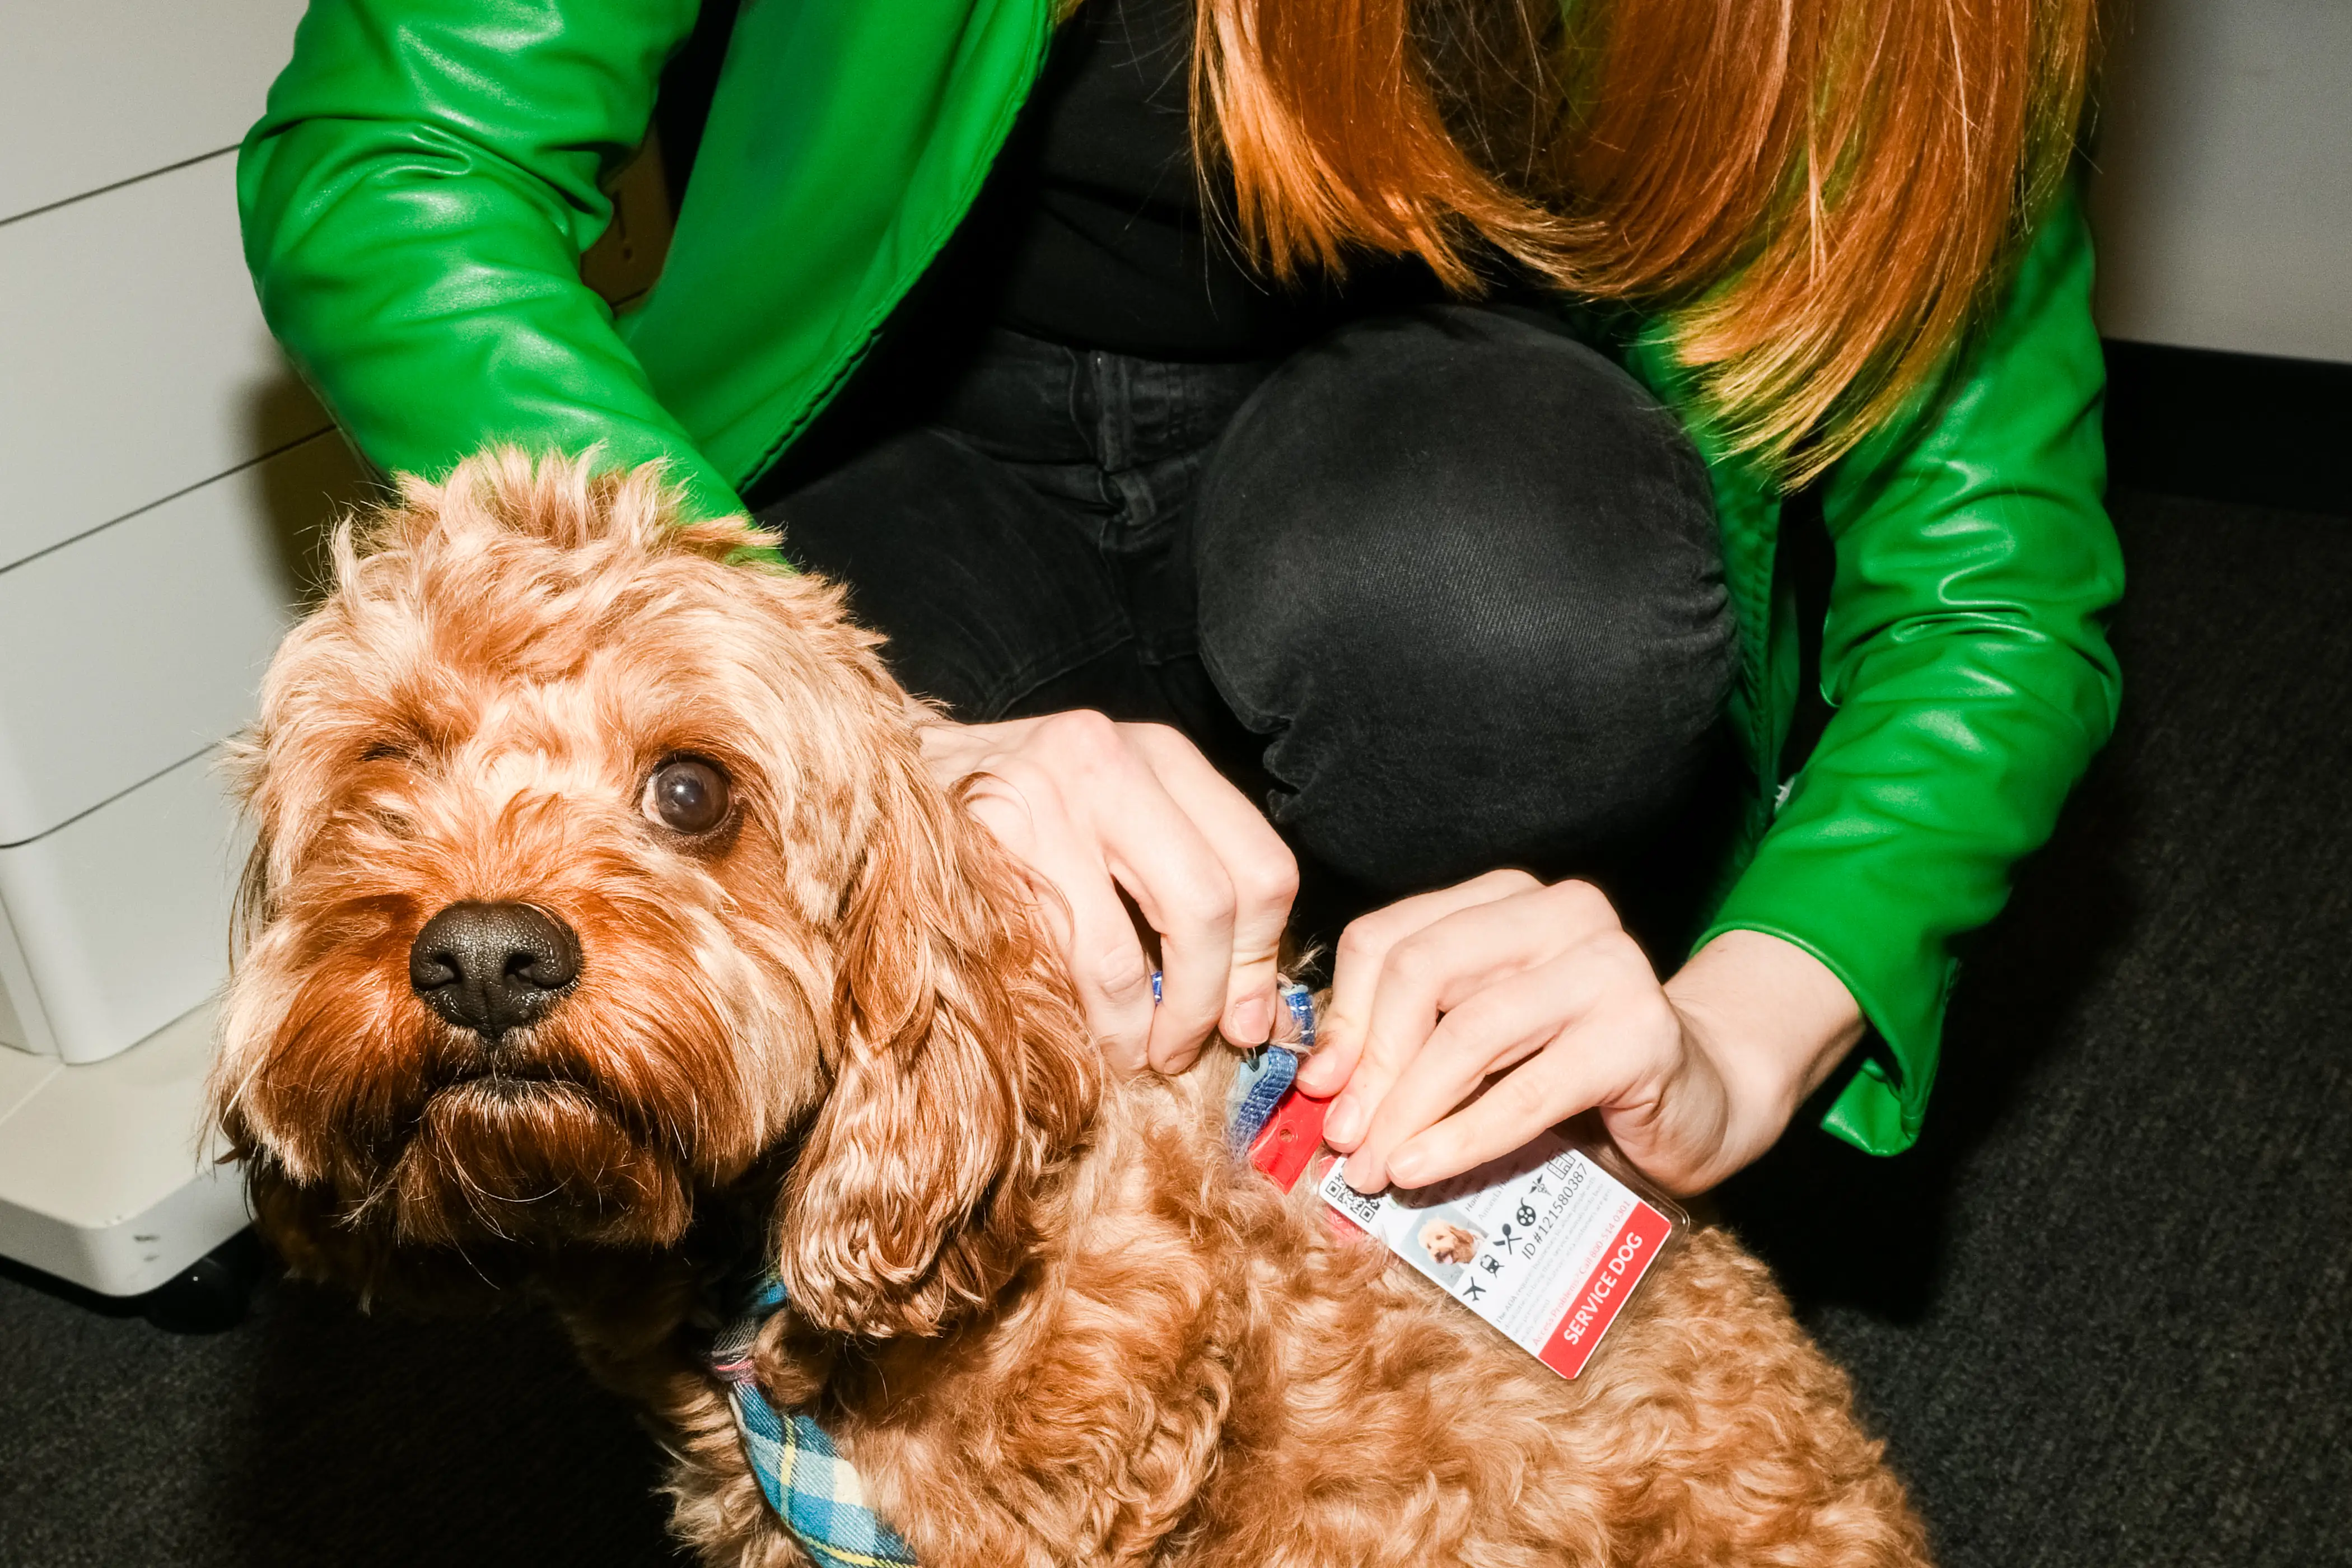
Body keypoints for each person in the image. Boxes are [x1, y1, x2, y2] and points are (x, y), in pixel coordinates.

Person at [236, 0, 2120, 1198]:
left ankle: (1399, 1173)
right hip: (903, 431)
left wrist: (1735, 1033)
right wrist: (875, 745)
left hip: (1429, 445)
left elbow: (1994, 592)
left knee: (1509, 613)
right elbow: (399, 150)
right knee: (719, 914)